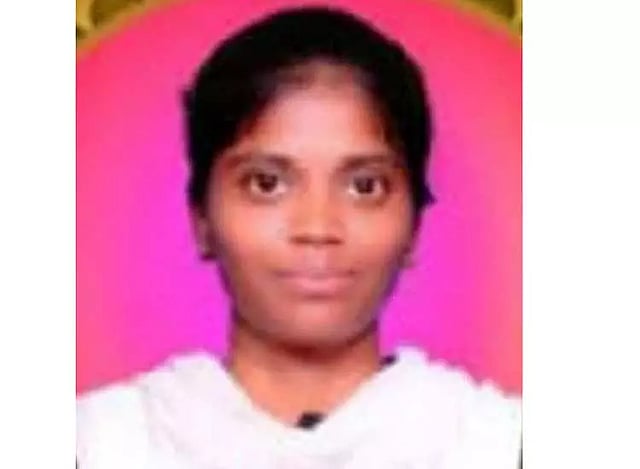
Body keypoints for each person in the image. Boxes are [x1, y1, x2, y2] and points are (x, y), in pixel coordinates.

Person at [76, 6, 521, 468]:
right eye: (266, 184)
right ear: (201, 218)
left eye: (365, 186)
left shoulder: (498, 444)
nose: (317, 228)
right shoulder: (98, 444)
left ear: (414, 223)